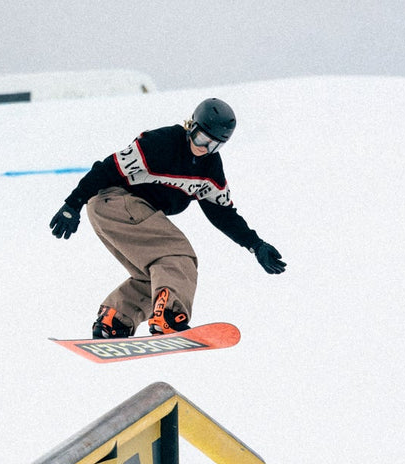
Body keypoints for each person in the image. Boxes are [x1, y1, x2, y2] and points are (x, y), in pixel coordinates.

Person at [49, 98, 286, 338]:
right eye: (202, 139)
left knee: (153, 273)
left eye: (214, 145)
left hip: (122, 211)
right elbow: (108, 167)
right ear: (191, 127)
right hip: (115, 201)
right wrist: (73, 204)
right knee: (177, 256)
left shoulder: (209, 170)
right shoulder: (162, 143)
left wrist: (255, 244)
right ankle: (169, 316)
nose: (204, 148)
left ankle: (116, 319)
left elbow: (222, 212)